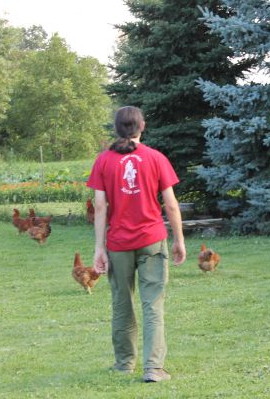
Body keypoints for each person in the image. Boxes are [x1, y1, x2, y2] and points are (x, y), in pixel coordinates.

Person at [87, 106, 186, 383]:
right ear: (142, 126)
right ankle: (154, 368)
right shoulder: (155, 158)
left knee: (121, 303)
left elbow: (99, 206)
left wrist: (99, 247)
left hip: (118, 243)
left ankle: (124, 364)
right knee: (152, 303)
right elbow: (171, 205)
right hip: (152, 239)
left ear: (117, 128)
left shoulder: (103, 161)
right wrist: (178, 240)